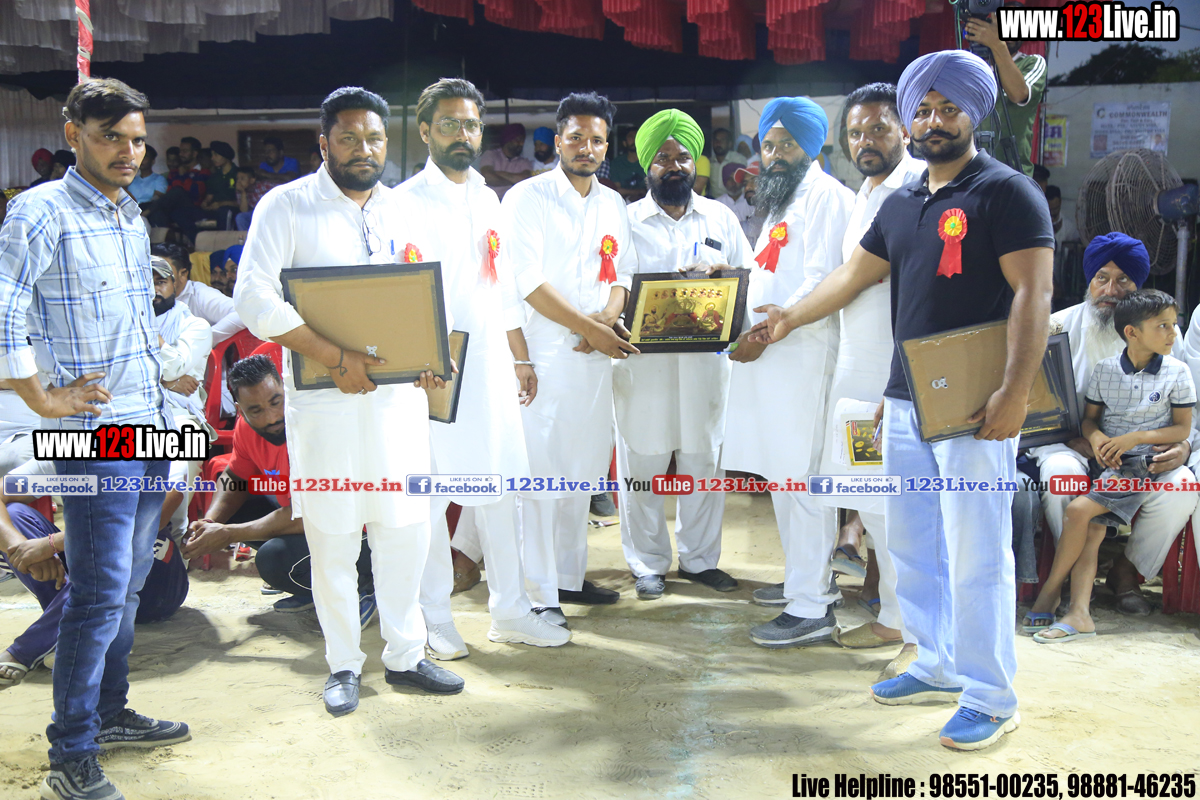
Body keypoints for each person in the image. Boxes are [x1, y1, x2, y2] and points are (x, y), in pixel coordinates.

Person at [750, 50, 1054, 751]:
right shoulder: (902, 202)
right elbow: (853, 277)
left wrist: (1014, 392)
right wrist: (787, 318)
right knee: (915, 542)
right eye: (923, 109)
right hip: (909, 399)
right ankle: (938, 661)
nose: (933, 121)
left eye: (948, 108)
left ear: (974, 113)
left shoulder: (1008, 193)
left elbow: (1034, 295)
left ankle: (991, 695)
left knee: (976, 550)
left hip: (979, 405)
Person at [235, 86, 463, 717]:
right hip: (325, 403)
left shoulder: (405, 209)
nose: (364, 149)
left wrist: (432, 355)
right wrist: (334, 355)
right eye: (349, 138)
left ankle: (406, 655)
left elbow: (427, 294)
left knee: (404, 531)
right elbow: (253, 297)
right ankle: (342, 664)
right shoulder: (287, 206)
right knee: (333, 538)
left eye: (375, 138)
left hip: (397, 406)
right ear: (324, 143)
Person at [0, 77, 189, 799]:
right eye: (111, 137)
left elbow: (133, 323)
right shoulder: (40, 211)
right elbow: (4, 309)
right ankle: (71, 752)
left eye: (137, 139)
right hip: (94, 434)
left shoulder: (128, 215)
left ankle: (110, 713)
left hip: (151, 424)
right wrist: (40, 398)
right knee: (99, 591)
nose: (128, 152)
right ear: (73, 134)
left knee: (129, 585)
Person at [398, 77, 570, 656]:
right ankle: (434, 617)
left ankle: (510, 610)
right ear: (425, 131)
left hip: (491, 365)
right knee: (430, 496)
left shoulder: (488, 198)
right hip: (435, 370)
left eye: (471, 124)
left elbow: (502, 288)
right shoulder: (404, 202)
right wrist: (421, 354)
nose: (462, 134)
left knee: (499, 488)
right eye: (449, 124)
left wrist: (519, 354)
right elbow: (403, 290)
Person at [502, 92, 640, 627]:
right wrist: (588, 328)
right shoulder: (528, 197)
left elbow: (622, 273)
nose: (587, 147)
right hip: (543, 356)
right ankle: (538, 594)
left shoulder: (612, 204)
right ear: (558, 140)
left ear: (607, 146)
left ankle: (565, 578)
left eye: (597, 140)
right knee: (541, 477)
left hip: (593, 358)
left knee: (581, 473)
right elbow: (526, 280)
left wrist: (607, 317)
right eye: (576, 137)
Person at [721, 96, 853, 649]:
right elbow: (769, 273)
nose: (774, 155)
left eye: (786, 144)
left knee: (802, 479)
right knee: (781, 476)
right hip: (773, 355)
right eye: (768, 145)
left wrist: (766, 334)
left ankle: (812, 605)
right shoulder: (782, 198)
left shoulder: (828, 197)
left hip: (803, 355)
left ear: (813, 146)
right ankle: (804, 578)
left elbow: (824, 279)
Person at [615, 109, 751, 600]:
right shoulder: (624, 222)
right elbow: (609, 286)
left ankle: (699, 561)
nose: (673, 166)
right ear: (646, 165)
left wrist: (727, 279)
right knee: (642, 465)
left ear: (696, 163)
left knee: (703, 463)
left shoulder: (721, 218)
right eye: (662, 158)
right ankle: (647, 563)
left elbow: (747, 277)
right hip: (642, 368)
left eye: (682, 157)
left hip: (704, 368)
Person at [813, 83, 926, 663]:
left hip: (897, 372)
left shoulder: (918, 189)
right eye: (855, 133)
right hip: (857, 370)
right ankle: (892, 619)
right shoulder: (864, 193)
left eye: (878, 129)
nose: (866, 141)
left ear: (903, 130)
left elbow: (864, 280)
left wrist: (790, 318)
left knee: (901, 506)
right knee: (868, 498)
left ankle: (919, 633)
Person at [1030, 233, 1196, 618]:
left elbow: (1187, 410)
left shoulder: (1165, 336)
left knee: (1182, 486)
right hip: (1069, 445)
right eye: (1101, 278)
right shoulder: (1055, 327)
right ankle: (1071, 577)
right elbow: (1034, 407)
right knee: (1061, 477)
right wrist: (1074, 438)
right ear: (1089, 281)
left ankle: (1127, 572)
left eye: (1123, 280)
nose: (1111, 290)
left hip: (1141, 454)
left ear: (1139, 286)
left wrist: (1183, 447)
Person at [184, 353, 377, 616]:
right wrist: (210, 522)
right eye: (256, 411)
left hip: (356, 531)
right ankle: (316, 583)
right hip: (305, 517)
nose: (272, 417)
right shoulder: (245, 428)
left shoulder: (314, 426)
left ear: (285, 391)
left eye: (276, 402)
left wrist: (229, 534)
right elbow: (234, 478)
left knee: (275, 560)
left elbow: (310, 513)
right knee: (237, 508)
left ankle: (366, 584)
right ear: (240, 410)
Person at [0, 485, 189, 688]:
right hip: (89, 558)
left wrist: (51, 544)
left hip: (156, 586)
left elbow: (153, 515)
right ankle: (69, 625)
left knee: (116, 551)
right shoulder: (57, 467)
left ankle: (24, 651)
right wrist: (20, 547)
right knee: (15, 514)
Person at [151, 255, 213, 546]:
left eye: (160, 281)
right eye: (145, 283)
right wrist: (166, 382)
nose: (153, 289)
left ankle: (171, 543)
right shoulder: (119, 327)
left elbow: (174, 366)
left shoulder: (195, 326)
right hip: (134, 410)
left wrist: (143, 328)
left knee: (182, 454)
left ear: (174, 285)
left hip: (180, 413)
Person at [966, 6, 1048, 177]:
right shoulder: (972, 65)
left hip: (1012, 173)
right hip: (971, 172)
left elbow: (1018, 93)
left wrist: (997, 43)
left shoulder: (1033, 63)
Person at [154, 242, 246, 344]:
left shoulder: (199, 294)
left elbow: (241, 314)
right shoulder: (147, 295)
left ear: (183, 274)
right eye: (150, 271)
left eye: (163, 273)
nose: (154, 277)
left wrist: (201, 341)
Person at [479, 123, 533, 198]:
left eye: (522, 141)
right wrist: (514, 182)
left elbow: (525, 180)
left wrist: (497, 173)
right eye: (517, 140)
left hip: (513, 201)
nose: (520, 144)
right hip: (490, 200)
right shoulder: (491, 155)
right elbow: (487, 177)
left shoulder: (524, 162)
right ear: (508, 139)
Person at [199, 140, 239, 230]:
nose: (212, 158)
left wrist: (221, 204)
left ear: (225, 156)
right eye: (212, 155)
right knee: (188, 214)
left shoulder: (238, 174)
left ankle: (225, 238)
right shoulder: (214, 176)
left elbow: (241, 201)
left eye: (216, 155)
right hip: (214, 209)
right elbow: (209, 196)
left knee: (225, 211)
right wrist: (205, 203)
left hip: (231, 209)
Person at [608, 127, 647, 203]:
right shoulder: (617, 163)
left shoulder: (648, 161)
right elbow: (616, 190)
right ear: (624, 143)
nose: (634, 140)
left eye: (637, 137)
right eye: (630, 137)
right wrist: (638, 192)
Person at [706, 128, 746, 199]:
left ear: (730, 144)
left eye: (722, 140)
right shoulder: (709, 162)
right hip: (715, 201)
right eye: (716, 140)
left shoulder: (738, 159)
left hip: (735, 200)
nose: (718, 143)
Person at [128, 144, 168, 211]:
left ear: (152, 161)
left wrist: (144, 213)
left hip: (150, 211)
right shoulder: (131, 180)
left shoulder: (159, 179)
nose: (141, 160)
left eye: (145, 157)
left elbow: (157, 200)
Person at [716, 162, 754, 228]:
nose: (733, 183)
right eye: (730, 179)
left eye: (736, 179)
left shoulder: (751, 202)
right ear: (724, 181)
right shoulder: (717, 204)